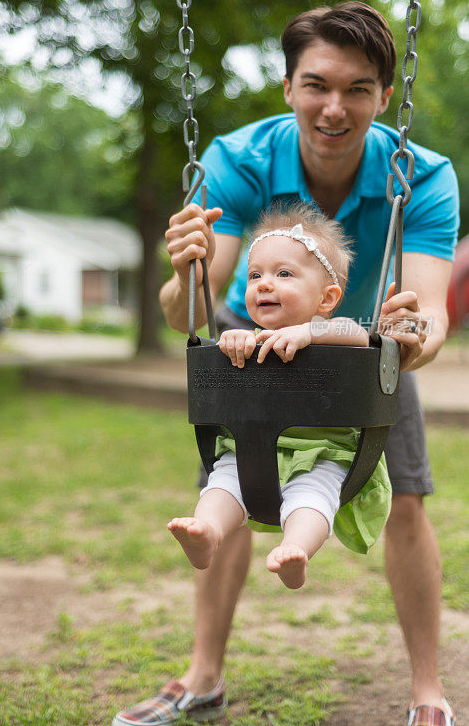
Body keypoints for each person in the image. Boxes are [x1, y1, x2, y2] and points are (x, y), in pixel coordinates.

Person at [113, 2, 459, 726]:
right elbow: (193, 316)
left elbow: (431, 315)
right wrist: (184, 275)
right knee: (229, 486)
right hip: (252, 332)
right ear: (288, 86)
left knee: (407, 499)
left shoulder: (421, 178)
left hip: (362, 340)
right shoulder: (237, 162)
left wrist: (408, 335)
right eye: (316, 84)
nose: (334, 107)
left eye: (358, 88)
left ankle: (428, 692)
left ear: (384, 96)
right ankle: (203, 678)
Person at [168, 203, 393, 589]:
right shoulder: (250, 339)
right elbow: (229, 344)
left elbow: (362, 337)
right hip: (250, 452)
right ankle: (206, 533)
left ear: (327, 297)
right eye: (255, 274)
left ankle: (296, 552)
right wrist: (232, 339)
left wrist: (311, 332)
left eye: (283, 273)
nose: (263, 284)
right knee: (222, 483)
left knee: (312, 499)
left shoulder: (332, 330)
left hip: (323, 454)